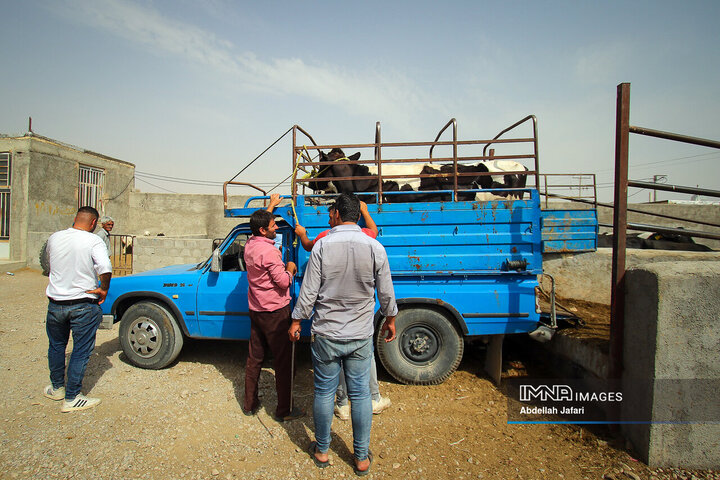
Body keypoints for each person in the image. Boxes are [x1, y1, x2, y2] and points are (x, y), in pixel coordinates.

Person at [290, 193, 397, 476]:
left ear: (337, 213)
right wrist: (391, 319)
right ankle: (361, 458)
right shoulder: (375, 246)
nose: (328, 217)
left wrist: (296, 320)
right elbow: (385, 290)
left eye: (330, 213)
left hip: (326, 333)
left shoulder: (322, 246)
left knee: (324, 392)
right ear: (358, 215)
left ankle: (323, 450)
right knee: (360, 395)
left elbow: (309, 291)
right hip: (360, 335)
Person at [43, 206, 112, 413]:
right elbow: (105, 269)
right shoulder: (93, 241)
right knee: (81, 351)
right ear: (93, 223)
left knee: (56, 346)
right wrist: (103, 289)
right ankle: (72, 397)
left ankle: (57, 388)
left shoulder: (55, 238)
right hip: (83, 304)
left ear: (75, 219)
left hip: (56, 303)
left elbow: (48, 263)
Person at [243, 207, 304, 422]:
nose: (276, 227)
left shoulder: (250, 244)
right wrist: (289, 267)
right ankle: (284, 410)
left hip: (256, 310)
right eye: (272, 226)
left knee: (254, 358)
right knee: (283, 361)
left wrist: (270, 207)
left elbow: (257, 230)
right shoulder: (269, 252)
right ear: (262, 230)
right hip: (275, 313)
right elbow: (283, 282)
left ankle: (249, 404)